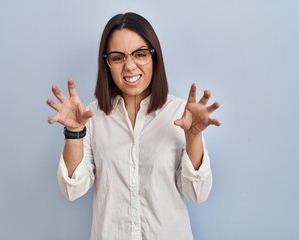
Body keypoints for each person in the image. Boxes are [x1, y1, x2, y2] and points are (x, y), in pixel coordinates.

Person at [47, 12, 220, 240]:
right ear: (107, 63)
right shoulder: (92, 116)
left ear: (154, 57)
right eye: (118, 57)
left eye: (139, 54)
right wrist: (74, 132)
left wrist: (194, 136)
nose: (130, 66)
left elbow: (197, 193)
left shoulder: (180, 114)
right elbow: (72, 190)